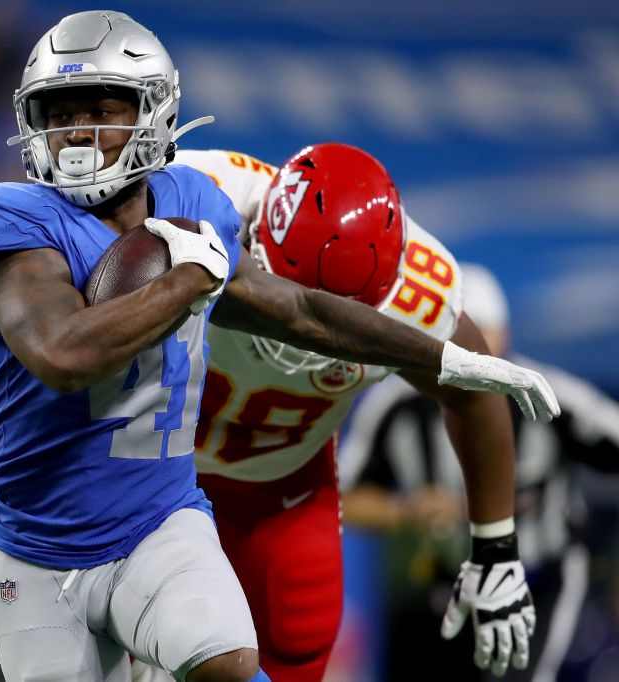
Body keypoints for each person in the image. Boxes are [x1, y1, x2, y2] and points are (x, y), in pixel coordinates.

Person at [0, 10, 556, 682]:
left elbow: (315, 317)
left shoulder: (194, 201)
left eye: (102, 111)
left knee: (279, 647)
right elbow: (15, 309)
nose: (79, 135)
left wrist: (494, 539)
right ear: (257, 235)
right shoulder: (145, 203)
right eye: (61, 112)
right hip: (62, 512)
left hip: (217, 489)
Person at [156, 143, 539, 680]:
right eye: (292, 297)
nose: (305, 342)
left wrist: (495, 546)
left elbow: (474, 392)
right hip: (143, 466)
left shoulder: (422, 297)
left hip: (279, 484)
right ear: (254, 238)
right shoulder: (189, 197)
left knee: (297, 642)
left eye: (337, 317)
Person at [339, 263, 619, 682]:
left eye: (479, 334)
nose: (468, 352)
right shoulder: (393, 408)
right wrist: (406, 510)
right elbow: (339, 501)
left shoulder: (551, 396)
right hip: (443, 585)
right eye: (450, 335)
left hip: (540, 580)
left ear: (504, 336)